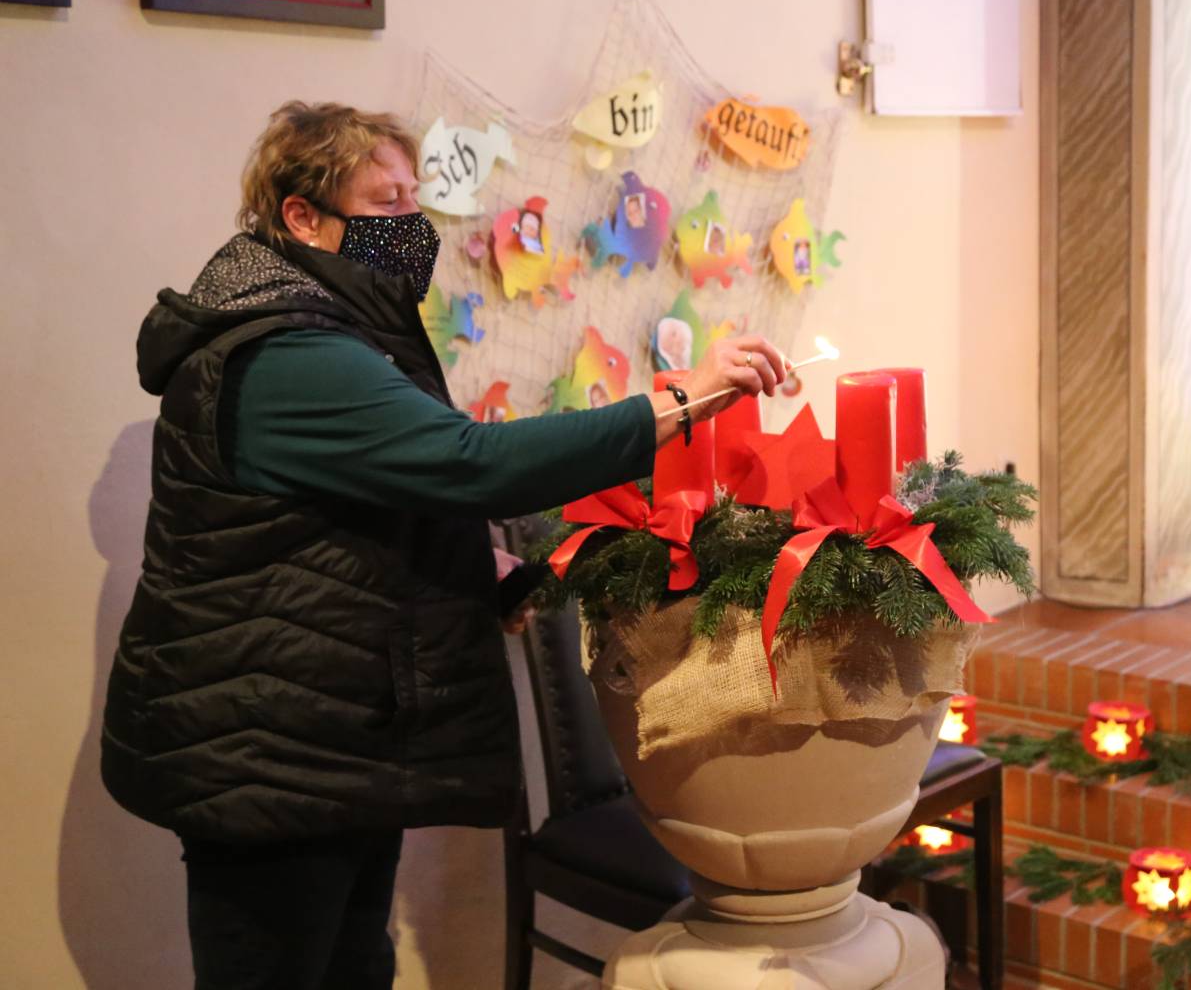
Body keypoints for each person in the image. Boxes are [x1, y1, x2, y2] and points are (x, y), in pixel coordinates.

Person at [99, 101, 786, 990]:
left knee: (353, 963)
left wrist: (476, 565)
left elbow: (354, 506)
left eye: (414, 200)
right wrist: (680, 400)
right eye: (384, 205)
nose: (409, 227)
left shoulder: (327, 323)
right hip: (268, 753)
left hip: (328, 740)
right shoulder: (282, 353)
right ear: (302, 217)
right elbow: (472, 464)